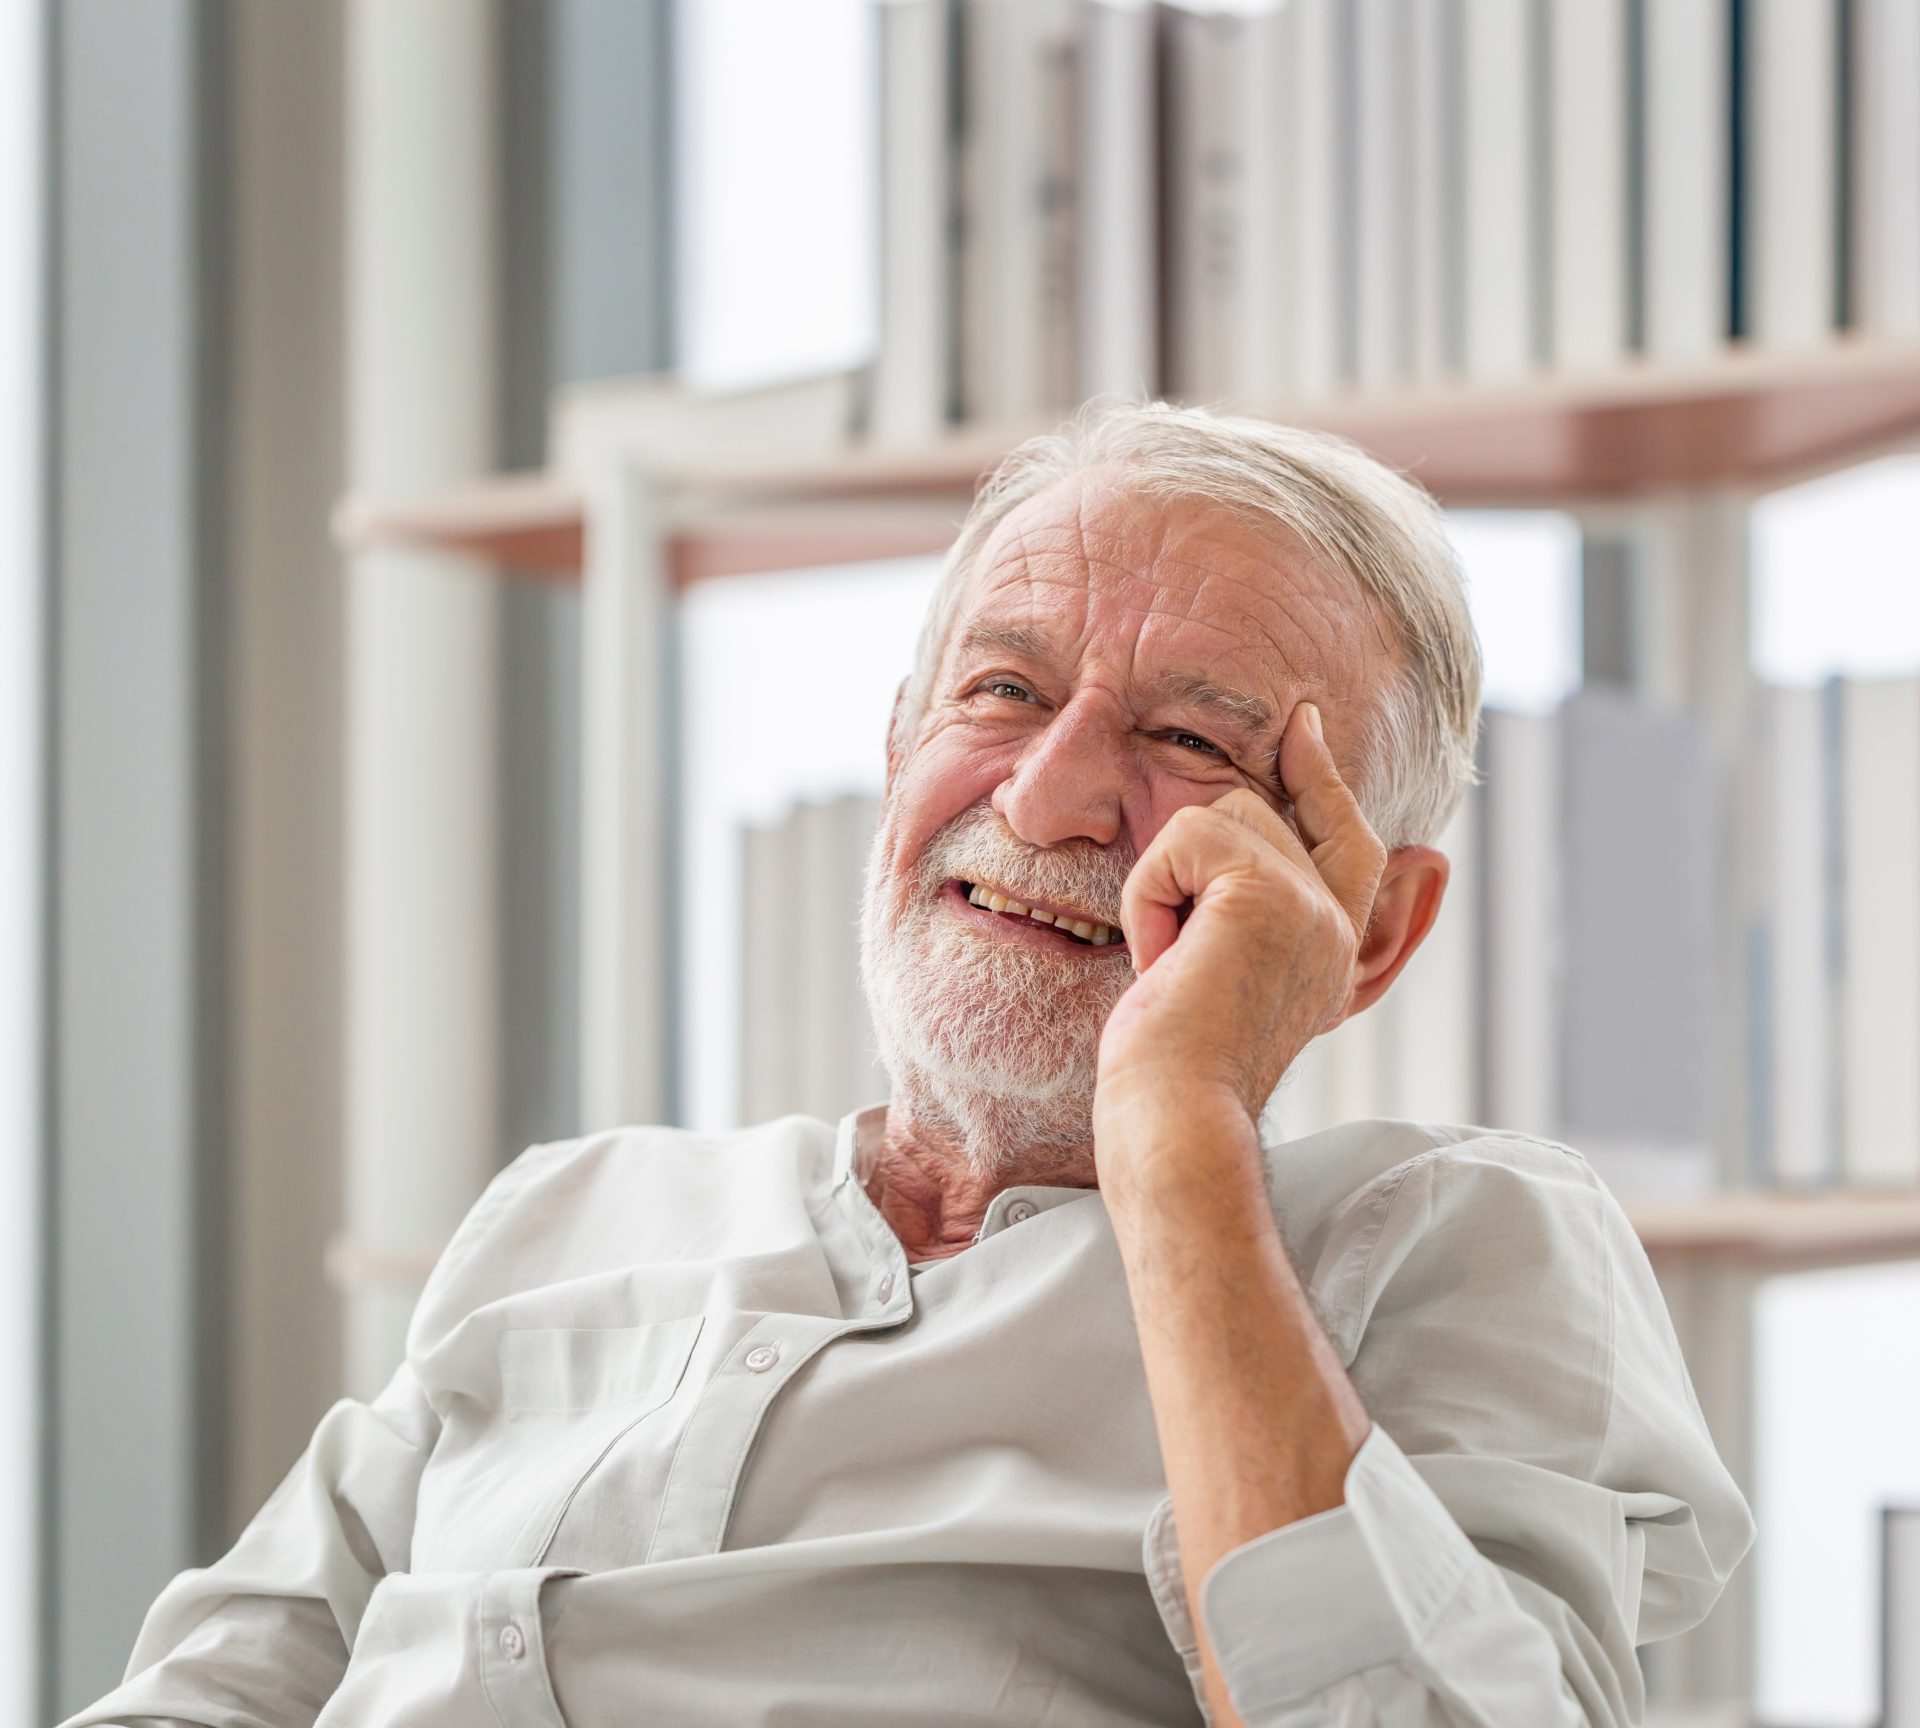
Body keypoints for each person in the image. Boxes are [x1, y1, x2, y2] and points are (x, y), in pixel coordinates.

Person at [69, 402, 1754, 1727]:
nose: (1048, 797)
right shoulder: (573, 1211)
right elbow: (224, 1685)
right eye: (1003, 691)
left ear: (1369, 928)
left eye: (1190, 740)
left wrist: (1174, 1126)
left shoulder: (1453, 1243)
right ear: (897, 760)